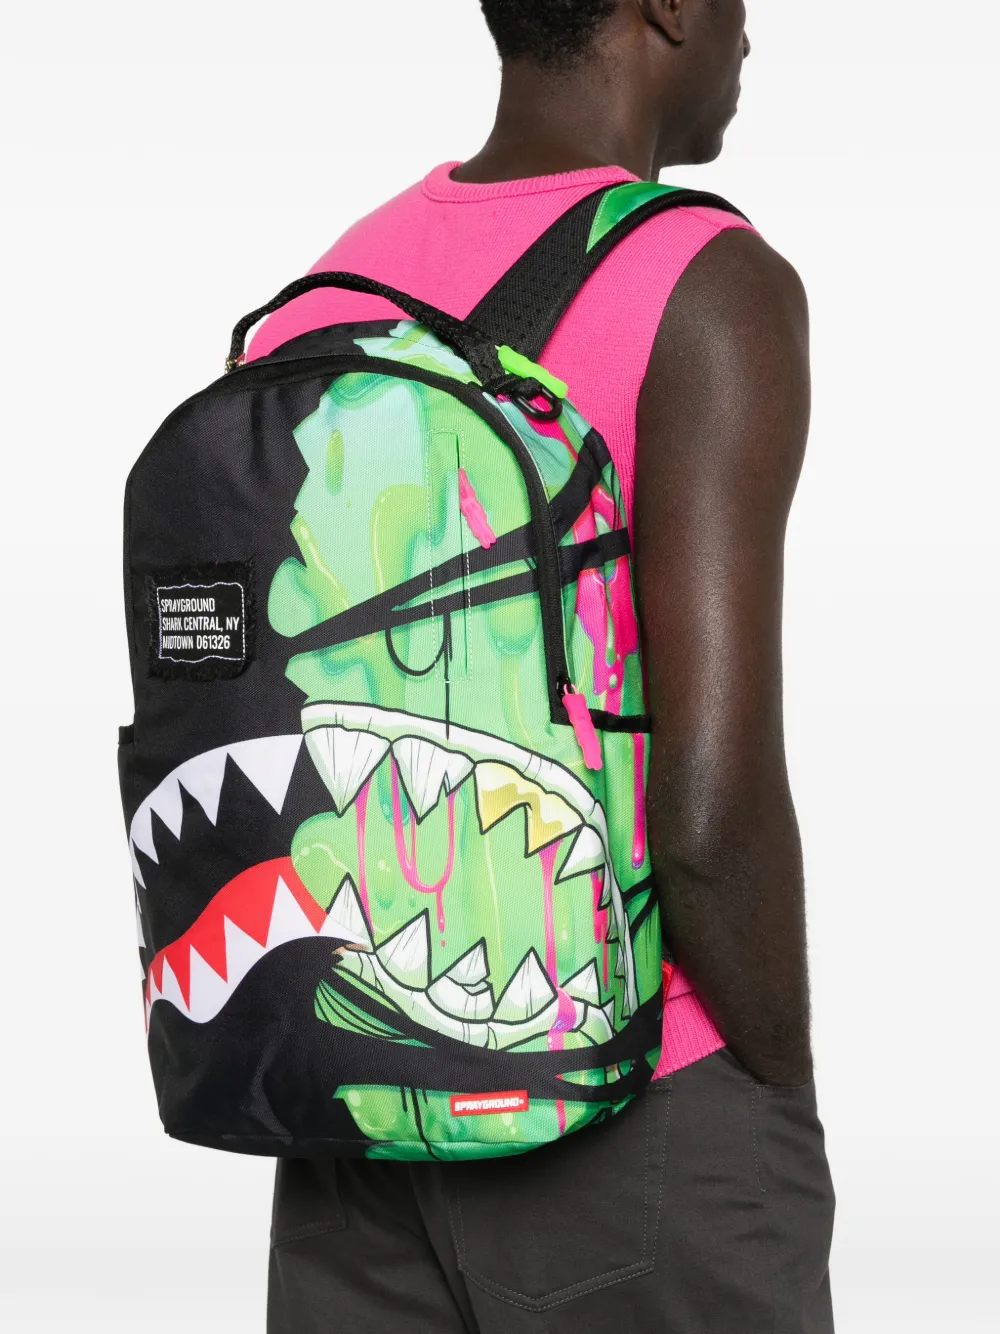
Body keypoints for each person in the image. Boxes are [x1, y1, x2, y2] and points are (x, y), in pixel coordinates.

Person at [256, 3, 835, 1330]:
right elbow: (708, 819)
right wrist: (772, 1087)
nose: (751, 36)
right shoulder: (706, 281)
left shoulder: (329, 289)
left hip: (353, 1098)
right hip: (633, 1101)